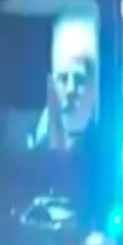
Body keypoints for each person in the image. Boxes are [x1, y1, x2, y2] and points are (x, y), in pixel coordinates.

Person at [33, 16, 99, 151]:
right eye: (62, 78)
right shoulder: (37, 155)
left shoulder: (112, 150)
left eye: (79, 79)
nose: (70, 89)